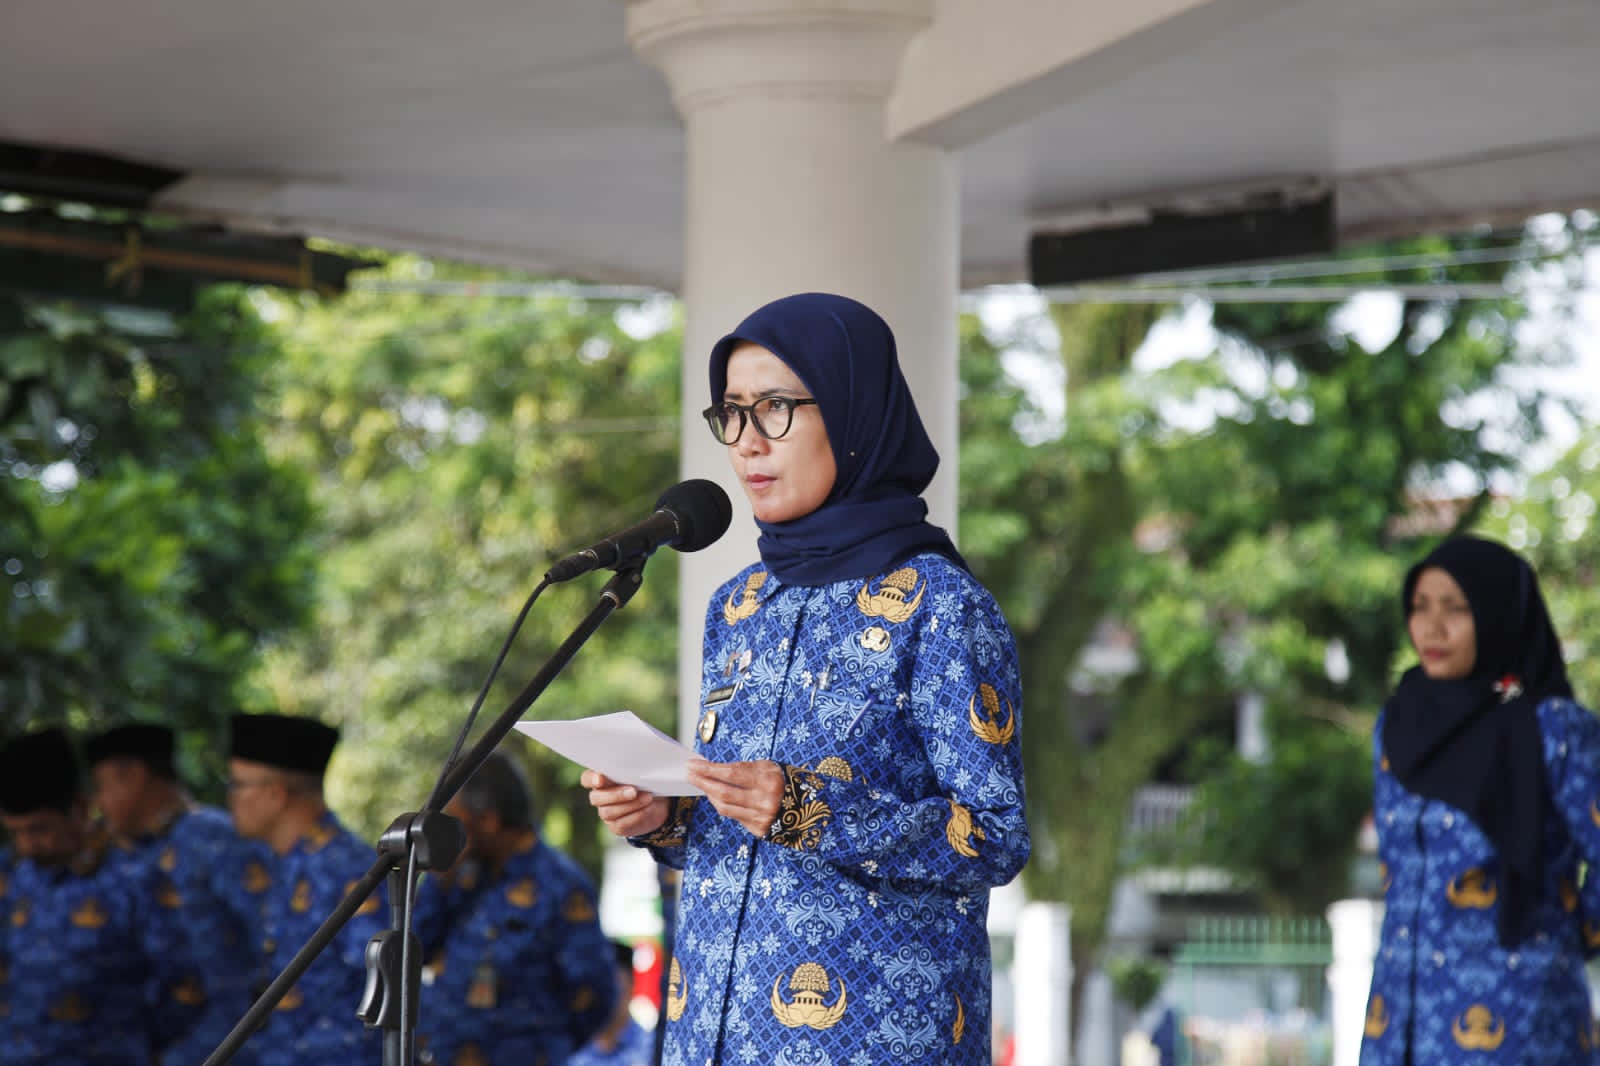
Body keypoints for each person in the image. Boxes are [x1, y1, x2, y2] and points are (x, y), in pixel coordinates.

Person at [584, 292, 1030, 1065]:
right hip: (711, 1036)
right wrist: (664, 817)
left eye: (776, 408)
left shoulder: (942, 605)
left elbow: (994, 837)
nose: (748, 443)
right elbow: (743, 829)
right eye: (732, 414)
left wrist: (813, 810)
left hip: (876, 1041)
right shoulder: (739, 607)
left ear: (854, 416)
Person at [1362, 535, 1600, 1065]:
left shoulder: (1552, 729)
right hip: (1398, 1017)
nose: (1432, 628)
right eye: (1420, 607)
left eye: (1456, 609)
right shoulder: (1397, 727)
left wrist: (1569, 934)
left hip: (1519, 1017)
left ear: (1497, 615)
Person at [0, 727, 199, 1066]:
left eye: (39, 829)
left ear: (80, 807)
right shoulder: (11, 875)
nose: (27, 846)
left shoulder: (134, 879)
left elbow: (180, 986)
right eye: (15, 832)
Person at [85, 721, 271, 1066]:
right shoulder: (118, 852)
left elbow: (268, 949)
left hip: (224, 1047)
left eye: (102, 786)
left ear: (134, 776)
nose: (98, 802)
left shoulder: (211, 838)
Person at [413, 749, 615, 1065]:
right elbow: (414, 951)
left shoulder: (561, 883)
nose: (447, 831)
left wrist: (544, 1047)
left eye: (455, 819)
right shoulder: (459, 875)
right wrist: (440, 882)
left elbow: (594, 993)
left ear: (488, 821)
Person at [227, 712, 388, 1066]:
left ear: (275, 794)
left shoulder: (350, 871)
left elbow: (388, 995)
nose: (230, 798)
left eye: (236, 785)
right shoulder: (280, 864)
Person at [569, 940, 655, 1066]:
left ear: (632, 987)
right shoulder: (564, 1048)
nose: (605, 999)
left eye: (613, 990)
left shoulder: (655, 1049)